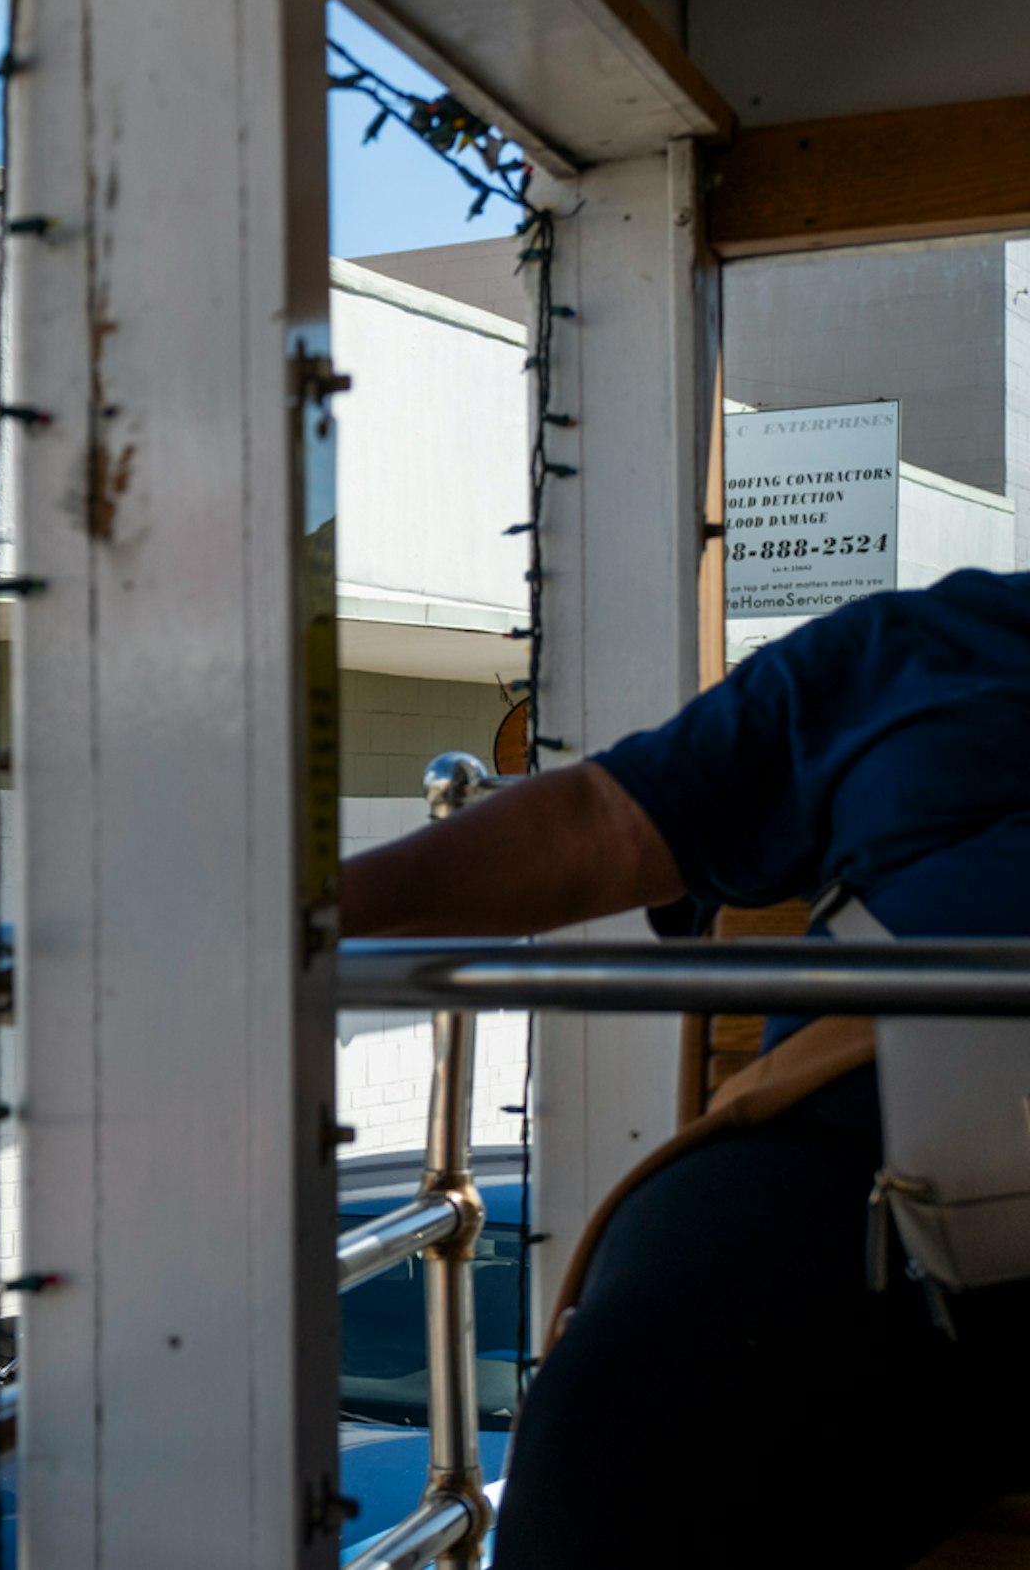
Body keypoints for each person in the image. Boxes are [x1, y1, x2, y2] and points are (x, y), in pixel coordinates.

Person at [339, 564, 1030, 1570]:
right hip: (882, 1180)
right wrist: (306, 912)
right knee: (633, 1415)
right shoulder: (930, 647)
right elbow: (609, 823)